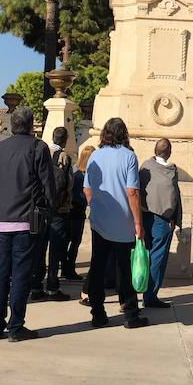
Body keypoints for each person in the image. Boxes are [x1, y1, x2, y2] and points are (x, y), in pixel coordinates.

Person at [0, 107, 55, 342]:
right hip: (27, 221)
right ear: (31, 124)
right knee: (21, 274)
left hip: (4, 220)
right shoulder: (37, 147)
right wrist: (47, 211)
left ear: (12, 124)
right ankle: (15, 326)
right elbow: (47, 183)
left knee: (1, 273)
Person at [84, 117, 149, 329]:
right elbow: (132, 192)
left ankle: (98, 313)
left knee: (97, 267)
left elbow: (87, 189)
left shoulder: (94, 156)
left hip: (100, 222)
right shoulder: (129, 157)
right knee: (126, 269)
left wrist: (96, 206)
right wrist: (138, 222)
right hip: (124, 222)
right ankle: (130, 313)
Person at [140, 138, 182, 309]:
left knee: (145, 256)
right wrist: (173, 218)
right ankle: (150, 296)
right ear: (169, 152)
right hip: (162, 220)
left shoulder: (145, 166)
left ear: (154, 150)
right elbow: (173, 197)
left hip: (145, 215)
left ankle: (139, 291)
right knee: (157, 258)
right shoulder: (171, 171)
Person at [31, 126, 72, 301]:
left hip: (39, 209)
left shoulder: (40, 152)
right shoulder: (64, 157)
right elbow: (68, 183)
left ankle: (35, 285)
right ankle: (53, 287)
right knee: (56, 250)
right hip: (59, 211)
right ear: (65, 140)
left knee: (38, 248)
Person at [64, 144, 92, 281]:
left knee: (66, 241)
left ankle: (65, 266)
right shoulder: (85, 176)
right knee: (75, 242)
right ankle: (69, 268)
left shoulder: (74, 170)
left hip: (68, 210)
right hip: (77, 210)